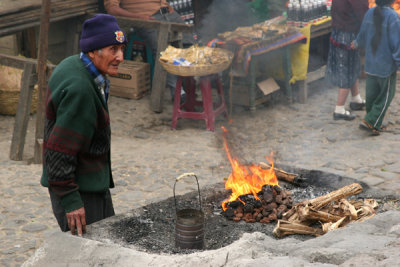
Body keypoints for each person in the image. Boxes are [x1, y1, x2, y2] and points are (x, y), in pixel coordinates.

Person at [41, 14, 127, 236]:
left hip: (90, 183)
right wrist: (71, 201)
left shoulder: (75, 64)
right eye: (113, 50)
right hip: (80, 191)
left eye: (121, 49)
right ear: (93, 51)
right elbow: (59, 151)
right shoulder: (81, 90)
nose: (120, 57)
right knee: (95, 254)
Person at [104, 0, 193, 100]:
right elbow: (112, 9)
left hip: (169, 13)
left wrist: (167, 7)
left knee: (189, 44)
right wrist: (138, 17)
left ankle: (189, 86)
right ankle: (177, 91)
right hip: (146, 18)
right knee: (163, 51)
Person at [352, 0, 400, 135]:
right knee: (386, 96)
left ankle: (373, 123)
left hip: (370, 63)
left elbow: (362, 34)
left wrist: (356, 43)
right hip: (386, 65)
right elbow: (397, 44)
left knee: (372, 94)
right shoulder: (393, 17)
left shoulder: (370, 12)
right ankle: (371, 121)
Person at [325, 0, 369, 121]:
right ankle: (339, 109)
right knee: (347, 70)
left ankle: (356, 99)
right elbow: (363, 14)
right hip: (347, 35)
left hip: (339, 32)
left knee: (353, 65)